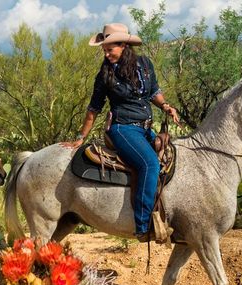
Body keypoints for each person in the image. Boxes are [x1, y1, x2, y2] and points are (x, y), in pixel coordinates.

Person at [65, 23, 180, 241]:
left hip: (147, 127)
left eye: (110, 49)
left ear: (124, 45)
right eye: (104, 50)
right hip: (123, 128)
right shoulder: (105, 75)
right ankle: (144, 224)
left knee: (171, 158)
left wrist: (165, 106)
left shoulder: (145, 64)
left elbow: (154, 91)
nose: (107, 54)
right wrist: (80, 138)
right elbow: (93, 109)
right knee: (149, 164)